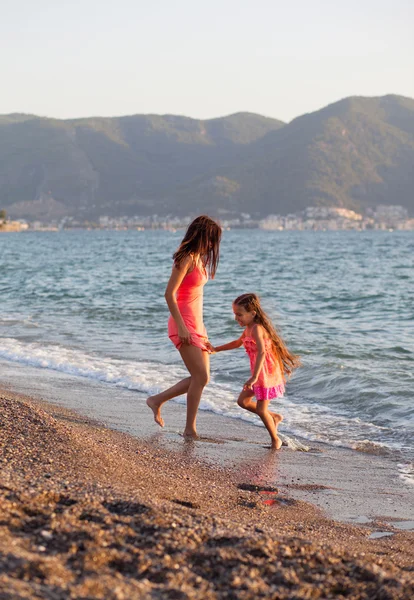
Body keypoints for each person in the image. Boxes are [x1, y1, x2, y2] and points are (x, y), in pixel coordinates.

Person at [147, 215, 222, 438]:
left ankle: (157, 400)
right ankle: (189, 429)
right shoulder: (186, 258)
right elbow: (169, 294)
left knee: (202, 378)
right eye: (210, 239)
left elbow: (196, 297)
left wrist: (202, 330)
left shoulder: (200, 259)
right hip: (183, 323)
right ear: (200, 235)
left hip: (197, 325)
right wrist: (181, 326)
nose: (211, 245)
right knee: (200, 377)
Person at [212, 293, 300, 449]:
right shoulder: (248, 328)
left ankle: (275, 440)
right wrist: (216, 349)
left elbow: (262, 352)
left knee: (260, 409)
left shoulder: (257, 329)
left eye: (239, 314)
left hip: (266, 374)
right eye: (235, 314)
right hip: (258, 373)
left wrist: (253, 377)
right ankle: (274, 417)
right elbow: (238, 342)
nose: (236, 318)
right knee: (243, 402)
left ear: (252, 313)